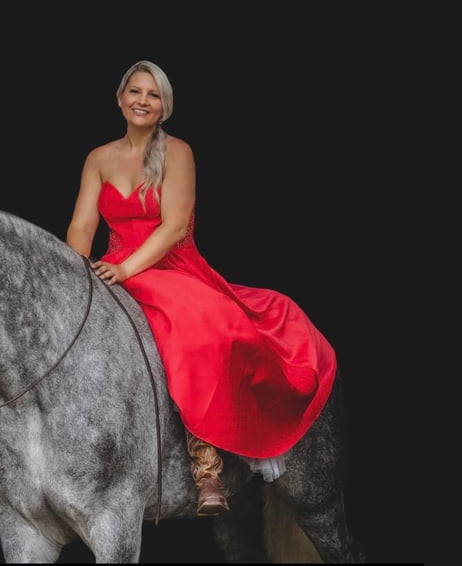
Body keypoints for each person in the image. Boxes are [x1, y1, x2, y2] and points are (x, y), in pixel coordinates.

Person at [64, 60, 338, 516]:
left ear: (164, 106)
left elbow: (172, 229)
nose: (143, 101)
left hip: (168, 268)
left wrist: (126, 270)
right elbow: (81, 223)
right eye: (135, 91)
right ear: (119, 98)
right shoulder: (98, 158)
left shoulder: (178, 153)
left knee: (197, 331)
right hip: (113, 267)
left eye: (153, 95)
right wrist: (75, 273)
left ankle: (206, 468)